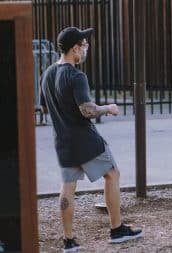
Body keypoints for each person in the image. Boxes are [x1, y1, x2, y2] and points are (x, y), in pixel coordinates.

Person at [40, 27, 143, 252]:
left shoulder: (47, 74)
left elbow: (45, 109)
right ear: (75, 48)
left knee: (68, 186)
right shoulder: (77, 76)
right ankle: (117, 230)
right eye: (84, 45)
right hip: (85, 140)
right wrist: (108, 108)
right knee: (112, 173)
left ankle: (69, 240)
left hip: (63, 143)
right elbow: (87, 110)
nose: (86, 49)